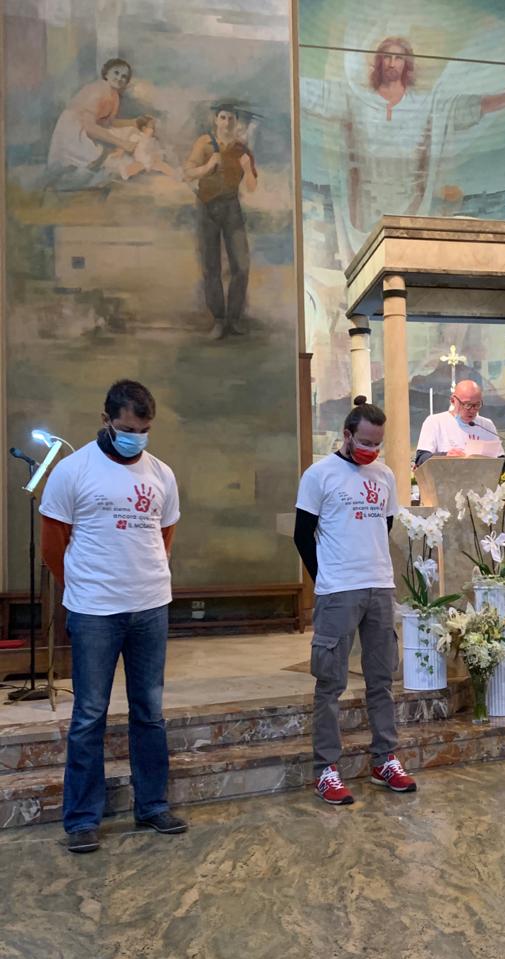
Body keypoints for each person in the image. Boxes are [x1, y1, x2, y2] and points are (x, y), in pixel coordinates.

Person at [40, 380, 185, 853]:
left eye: (143, 430)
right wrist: (84, 587)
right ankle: (82, 819)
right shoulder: (73, 470)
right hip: (95, 612)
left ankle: (153, 805)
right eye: (127, 429)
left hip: (150, 607)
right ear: (105, 420)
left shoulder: (161, 473)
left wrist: (143, 578)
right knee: (88, 715)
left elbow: (164, 535)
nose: (135, 438)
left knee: (150, 712)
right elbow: (52, 545)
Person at [301, 36, 505, 262]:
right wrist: (287, 75)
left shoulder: (423, 104)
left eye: (398, 58)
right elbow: (319, 96)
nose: (392, 63)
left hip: (408, 204)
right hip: (366, 207)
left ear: (407, 65)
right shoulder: (356, 99)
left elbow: (461, 109)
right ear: (378, 62)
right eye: (387, 57)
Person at [294, 395, 417, 805]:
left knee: (382, 680)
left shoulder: (384, 475)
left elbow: (385, 524)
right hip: (338, 590)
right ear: (346, 435)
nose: (371, 449)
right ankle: (326, 769)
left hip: (379, 586)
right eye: (365, 441)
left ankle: (385, 759)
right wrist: (326, 578)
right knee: (330, 683)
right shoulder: (319, 475)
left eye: (377, 443)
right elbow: (302, 534)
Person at [185, 104, 258, 340]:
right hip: (207, 206)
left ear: (236, 123)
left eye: (231, 119)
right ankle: (218, 319)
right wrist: (208, 166)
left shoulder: (242, 150)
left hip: (231, 207)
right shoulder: (204, 143)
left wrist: (247, 169)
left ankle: (233, 319)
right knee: (211, 266)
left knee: (241, 266)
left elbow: (252, 187)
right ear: (216, 120)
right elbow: (188, 172)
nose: (226, 123)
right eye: (223, 118)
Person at [47, 58, 136, 188]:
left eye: (124, 76)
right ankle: (68, 183)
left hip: (89, 128)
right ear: (106, 73)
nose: (119, 78)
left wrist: (133, 122)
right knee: (98, 158)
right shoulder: (98, 91)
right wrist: (121, 143)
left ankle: (82, 181)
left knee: (114, 158)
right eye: (116, 73)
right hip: (72, 129)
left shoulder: (114, 96)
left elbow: (108, 123)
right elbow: (90, 128)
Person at [415, 379, 503, 466]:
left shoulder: (487, 425)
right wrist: (445, 456)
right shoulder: (434, 422)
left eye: (477, 405)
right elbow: (421, 458)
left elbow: (502, 461)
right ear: (453, 400)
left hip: (480, 474)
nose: (472, 410)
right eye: (467, 404)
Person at [104, 116, 180, 182]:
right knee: (137, 166)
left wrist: (156, 155)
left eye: (153, 127)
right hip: (140, 159)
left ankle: (175, 175)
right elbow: (127, 144)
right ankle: (125, 172)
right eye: (151, 127)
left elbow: (154, 149)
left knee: (162, 165)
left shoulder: (152, 139)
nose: (153, 129)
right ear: (144, 128)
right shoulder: (137, 137)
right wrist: (120, 151)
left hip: (150, 158)